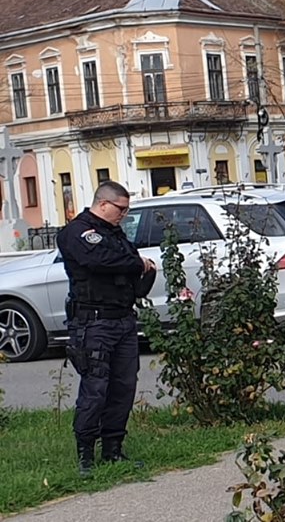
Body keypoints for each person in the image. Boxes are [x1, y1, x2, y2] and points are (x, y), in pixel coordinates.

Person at [57, 181, 156, 477]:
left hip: (123, 319)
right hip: (94, 322)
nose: (124, 215)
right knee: (95, 389)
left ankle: (113, 449)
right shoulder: (77, 232)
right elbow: (99, 260)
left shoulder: (114, 233)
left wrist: (138, 265)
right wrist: (135, 262)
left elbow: (129, 263)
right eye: (120, 209)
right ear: (103, 204)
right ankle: (86, 454)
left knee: (123, 387)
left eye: (127, 210)